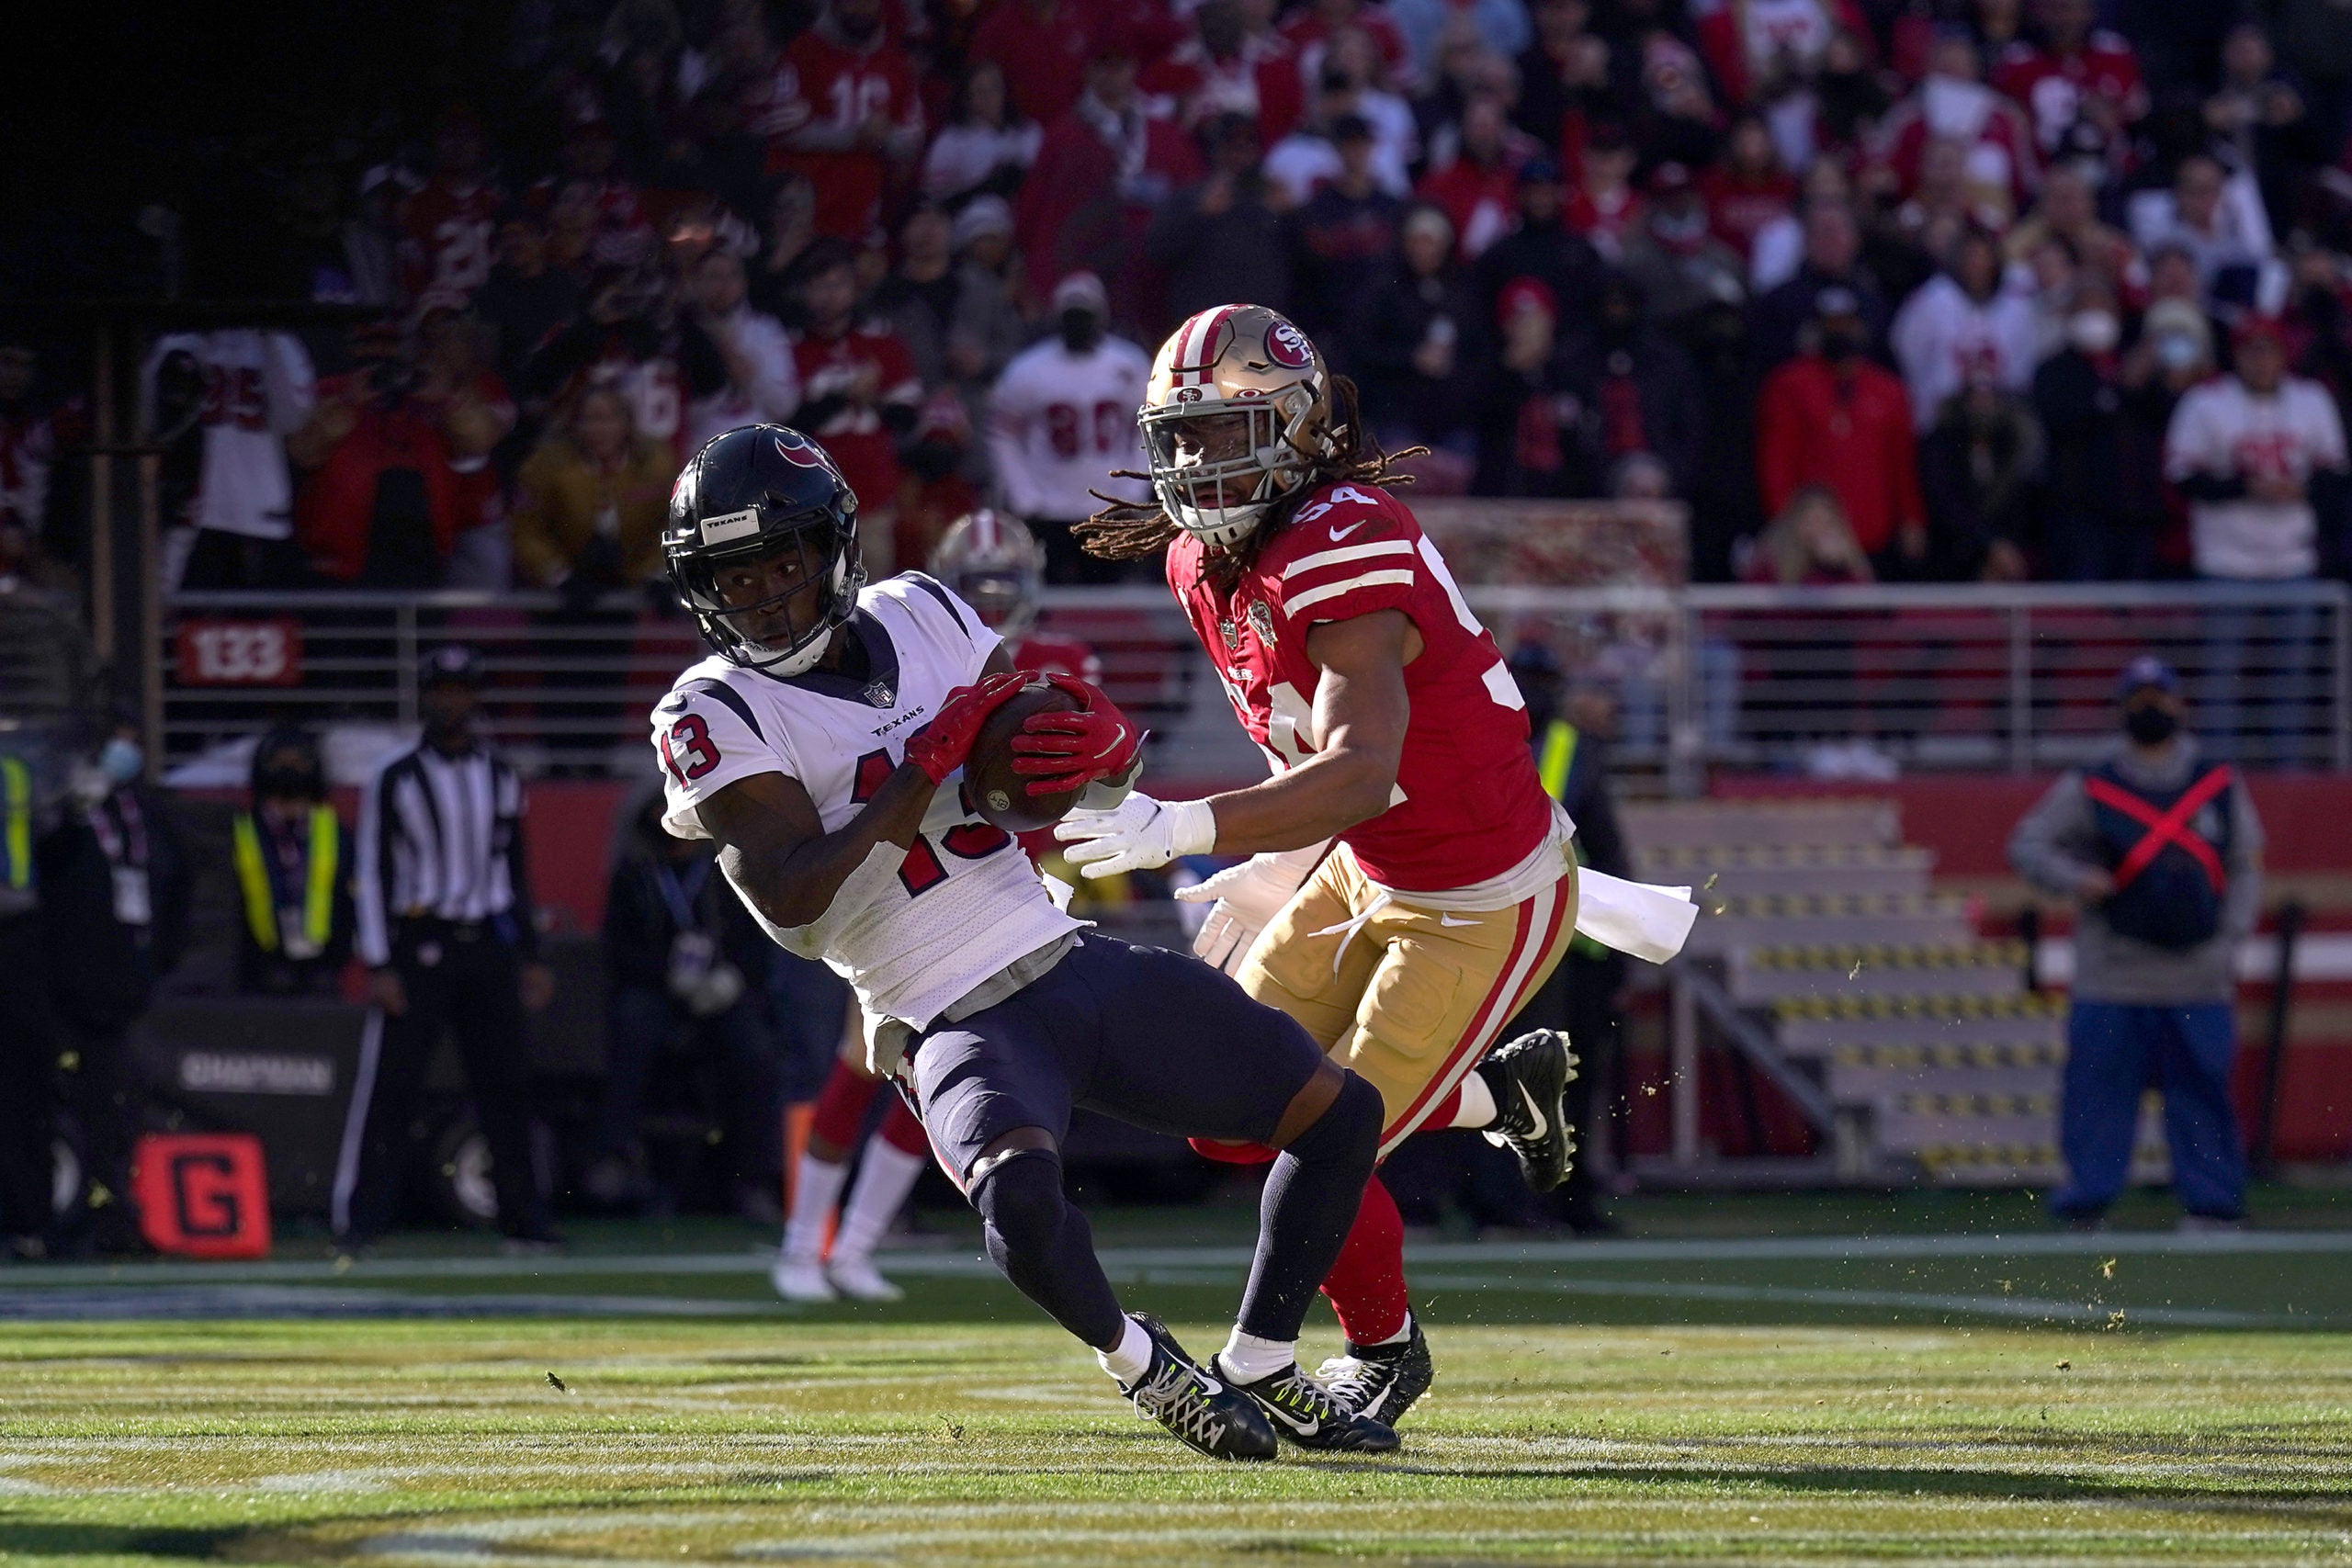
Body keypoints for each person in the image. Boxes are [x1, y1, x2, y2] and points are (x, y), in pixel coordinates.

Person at [655, 423, 1396, 1458]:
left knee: (1339, 1113)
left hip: (1060, 951)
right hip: (935, 1004)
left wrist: (1084, 750)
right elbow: (793, 898)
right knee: (1017, 1198)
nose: (769, 594)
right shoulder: (710, 707)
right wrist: (921, 769)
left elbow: (1026, 766)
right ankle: (1144, 1366)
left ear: (833, 547)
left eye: (785, 562)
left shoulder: (920, 609)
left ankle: (1261, 1357)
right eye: (737, 579)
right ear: (701, 590)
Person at [1066, 304, 1693, 1426]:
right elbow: (1301, 750)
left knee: (1318, 1129)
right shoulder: (1200, 562)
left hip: (1476, 899)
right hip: (1362, 866)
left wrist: (1190, 828)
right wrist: (1270, 865)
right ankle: (1502, 1095)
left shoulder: (1342, 536)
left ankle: (1304, 1357)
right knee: (1223, 1109)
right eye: (1184, 436)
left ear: (1300, 428)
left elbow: (1360, 769)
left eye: (1226, 432)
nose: (1199, 464)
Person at [2008, 658, 2263, 1230]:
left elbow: (2246, 867)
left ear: (2180, 704)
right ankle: (2085, 1207)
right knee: (2097, 1098)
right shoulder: (2093, 784)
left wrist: (2231, 939)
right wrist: (2075, 879)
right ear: (2122, 706)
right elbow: (2028, 843)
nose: (2152, 708)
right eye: (2140, 697)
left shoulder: (2216, 784)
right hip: (2113, 972)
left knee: (2202, 1096)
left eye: (2160, 697)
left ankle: (2214, 1208)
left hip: (2198, 972)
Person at [340, 645, 560, 1252]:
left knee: (507, 1085)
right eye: (441, 689)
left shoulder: (499, 774)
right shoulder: (396, 774)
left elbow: (516, 868)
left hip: (487, 940)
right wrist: (381, 961)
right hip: (422, 942)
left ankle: (524, 1217)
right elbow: (373, 870)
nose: (451, 700)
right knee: (392, 1086)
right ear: (426, 696)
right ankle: (363, 1218)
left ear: (475, 696)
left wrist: (532, 954)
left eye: (461, 689)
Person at [2163, 316, 2349, 759]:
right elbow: (2182, 476)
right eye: (2252, 350)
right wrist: (2245, 487)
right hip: (2226, 561)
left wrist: (2300, 489)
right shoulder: (2206, 401)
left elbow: (2336, 476)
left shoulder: (2311, 399)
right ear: (2237, 355)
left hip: (2292, 558)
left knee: (2291, 681)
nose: (2262, 360)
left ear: (2284, 355)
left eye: (2270, 350)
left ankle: (2287, 778)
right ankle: (2217, 780)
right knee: (2221, 681)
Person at [595, 793, 785, 1225]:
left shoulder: (727, 871)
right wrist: (663, 973)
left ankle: (756, 1179)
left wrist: (733, 976)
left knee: (757, 1052)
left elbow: (760, 939)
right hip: (657, 990)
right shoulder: (635, 875)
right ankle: (616, 1159)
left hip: (721, 989)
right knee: (631, 1027)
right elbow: (616, 950)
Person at [39, 717, 189, 1255]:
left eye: (133, 738)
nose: (125, 751)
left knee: (118, 1113)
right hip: (62, 989)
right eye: (114, 740)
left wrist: (158, 958)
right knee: (58, 1111)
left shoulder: (146, 816)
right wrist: (66, 814)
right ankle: (49, 1220)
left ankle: (114, 1220)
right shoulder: (63, 812)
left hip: (123, 992)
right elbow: (44, 876)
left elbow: (178, 884)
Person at [1500, 650, 1634, 1234]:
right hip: (1542, 943)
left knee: (1552, 1081)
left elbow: (1607, 850)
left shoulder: (1486, 739)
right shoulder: (1565, 747)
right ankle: (1532, 1201)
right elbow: (1609, 849)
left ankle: (1551, 1200)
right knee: (1544, 1080)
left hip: (1545, 946)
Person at [983, 272, 1151, 585]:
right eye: (1072, 315)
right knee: (1048, 597)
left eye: (1085, 314)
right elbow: (1002, 435)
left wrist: (1133, 491)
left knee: (1106, 598)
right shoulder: (1028, 369)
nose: (1079, 324)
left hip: (1109, 509)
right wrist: (1024, 494)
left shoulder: (1129, 364)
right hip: (1047, 509)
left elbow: (1146, 430)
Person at [1756, 288, 1927, 574]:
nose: (1840, 332)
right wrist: (1783, 523)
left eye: (1847, 324)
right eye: (1831, 325)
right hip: (1810, 538)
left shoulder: (1888, 390)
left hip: (1873, 532)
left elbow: (1902, 463)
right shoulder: (1789, 385)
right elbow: (1777, 463)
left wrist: (1912, 519)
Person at [141, 327, 317, 590]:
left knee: (258, 626)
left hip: (259, 514)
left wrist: (270, 335)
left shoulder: (279, 341)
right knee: (185, 623)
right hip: (191, 515)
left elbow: (294, 417)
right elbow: (147, 417)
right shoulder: (178, 342)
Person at [232, 726, 356, 997]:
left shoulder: (337, 832)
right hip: (257, 971)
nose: (289, 770)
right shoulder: (240, 830)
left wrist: (338, 958)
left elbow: (351, 902)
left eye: (298, 762)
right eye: (279, 762)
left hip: (322, 970)